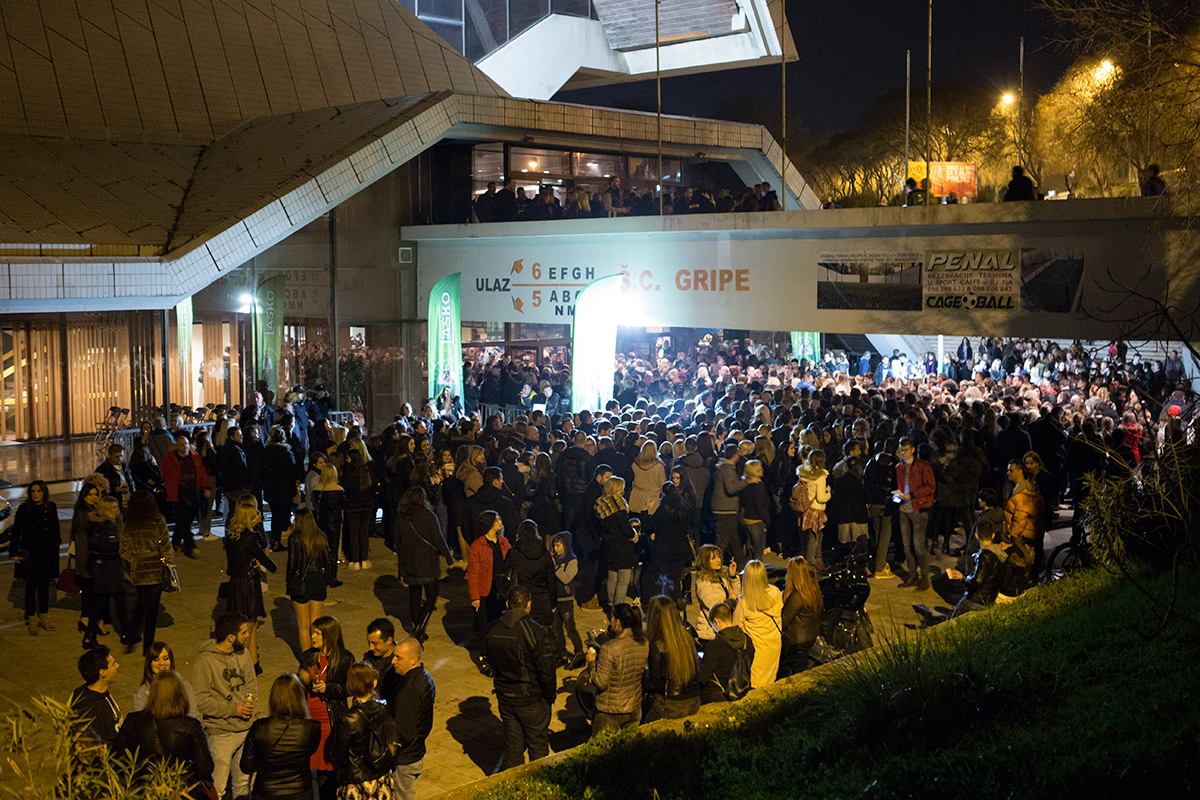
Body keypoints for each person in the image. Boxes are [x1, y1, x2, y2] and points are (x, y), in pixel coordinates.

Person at [484, 585, 557, 770]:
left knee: (513, 749)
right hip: (531, 699)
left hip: (506, 698)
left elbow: (490, 662)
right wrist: (549, 696)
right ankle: (537, 784)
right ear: (529, 605)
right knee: (537, 748)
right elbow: (546, 670)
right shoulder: (534, 632)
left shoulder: (493, 630)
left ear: (508, 604)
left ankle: (513, 783)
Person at [194, 612, 258, 800]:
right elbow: (201, 701)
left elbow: (252, 686)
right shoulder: (205, 661)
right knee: (218, 789)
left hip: (245, 730)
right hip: (221, 734)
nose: (248, 635)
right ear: (231, 637)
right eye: (244, 632)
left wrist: (252, 711)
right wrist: (234, 709)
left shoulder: (244, 654)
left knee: (243, 787)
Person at [114, 670, 213, 791]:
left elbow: (117, 759)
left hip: (142, 790)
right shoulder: (191, 725)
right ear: (180, 694)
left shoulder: (132, 720)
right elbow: (205, 768)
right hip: (178, 791)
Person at [240, 673, 322, 800]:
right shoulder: (312, 727)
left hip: (266, 793)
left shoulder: (260, 727)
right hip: (300, 792)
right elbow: (310, 750)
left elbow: (247, 766)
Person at [300, 615, 355, 799]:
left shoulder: (345, 658)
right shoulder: (309, 656)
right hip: (310, 719)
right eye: (312, 632)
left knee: (328, 769)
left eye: (317, 633)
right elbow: (300, 684)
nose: (312, 637)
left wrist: (328, 688)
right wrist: (301, 678)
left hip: (330, 721)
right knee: (309, 769)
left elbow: (350, 688)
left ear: (328, 635)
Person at [330, 661, 398, 800]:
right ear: (374, 683)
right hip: (381, 778)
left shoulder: (346, 720)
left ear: (350, 685)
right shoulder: (383, 710)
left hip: (356, 783)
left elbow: (339, 757)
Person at [224, 495, 277, 670]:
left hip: (235, 582)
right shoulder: (249, 537)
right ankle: (241, 664)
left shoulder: (231, 536)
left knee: (249, 626)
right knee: (249, 626)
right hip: (248, 583)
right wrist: (272, 566)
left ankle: (254, 663)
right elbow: (264, 551)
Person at [395, 486, 454, 642]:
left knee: (414, 597)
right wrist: (449, 558)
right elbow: (438, 539)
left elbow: (397, 542)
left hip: (409, 563)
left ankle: (417, 626)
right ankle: (419, 628)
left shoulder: (402, 517)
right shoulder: (429, 516)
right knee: (431, 598)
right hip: (427, 563)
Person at [581, 602, 648, 737]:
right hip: (634, 709)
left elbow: (601, 682)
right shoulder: (644, 643)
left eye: (611, 618)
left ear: (617, 621)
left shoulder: (609, 648)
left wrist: (591, 663)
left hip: (610, 712)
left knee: (601, 747)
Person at [119, 490, 173, 656]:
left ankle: (132, 634)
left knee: (142, 602)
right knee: (152, 609)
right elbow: (166, 545)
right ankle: (148, 647)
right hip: (155, 568)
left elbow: (123, 550)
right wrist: (167, 562)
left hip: (139, 570)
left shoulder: (129, 524)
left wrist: (136, 559)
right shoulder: (158, 521)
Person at [387, 637, 435, 800]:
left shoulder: (409, 690)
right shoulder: (424, 677)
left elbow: (403, 733)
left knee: (403, 796)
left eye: (398, 658)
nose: (393, 661)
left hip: (405, 758)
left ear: (413, 660)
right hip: (415, 752)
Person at [11, 479, 59, 635]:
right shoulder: (24, 508)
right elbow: (17, 531)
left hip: (47, 552)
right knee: (31, 587)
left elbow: (55, 530)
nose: (36, 494)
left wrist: (55, 549)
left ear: (44, 492)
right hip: (31, 553)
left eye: (39, 491)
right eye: (33, 491)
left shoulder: (51, 507)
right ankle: (31, 617)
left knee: (45, 586)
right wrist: (13, 553)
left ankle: (43, 616)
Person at [643, 595, 702, 722]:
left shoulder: (657, 644)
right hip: (693, 699)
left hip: (671, 704)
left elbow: (655, 682)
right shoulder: (686, 637)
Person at [467, 509, 512, 672]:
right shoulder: (477, 546)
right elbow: (473, 573)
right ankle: (484, 657)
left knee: (501, 625)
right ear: (489, 523)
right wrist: (475, 597)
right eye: (497, 519)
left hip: (502, 592)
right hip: (486, 593)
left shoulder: (503, 542)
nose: (500, 521)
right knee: (484, 627)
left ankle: (498, 655)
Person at [85, 495, 132, 650]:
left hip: (105, 569)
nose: (117, 510)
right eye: (113, 507)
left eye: (117, 506)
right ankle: (124, 634)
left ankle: (91, 635)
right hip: (108, 570)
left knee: (111, 602)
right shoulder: (106, 526)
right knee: (112, 602)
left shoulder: (102, 525)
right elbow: (109, 548)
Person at [160, 431, 212, 558]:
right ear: (177, 446)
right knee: (183, 520)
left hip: (193, 493)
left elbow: (202, 473)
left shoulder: (195, 457)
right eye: (182, 445)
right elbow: (163, 474)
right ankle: (190, 547)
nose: (185, 447)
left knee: (185, 520)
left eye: (186, 444)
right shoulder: (169, 459)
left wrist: (206, 486)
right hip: (178, 494)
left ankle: (176, 542)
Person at [733, 560, 783, 689]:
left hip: (757, 651)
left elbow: (737, 627)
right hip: (774, 645)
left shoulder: (745, 603)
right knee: (770, 680)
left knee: (757, 685)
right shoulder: (776, 592)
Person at [894, 437, 936, 591]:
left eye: (906, 450)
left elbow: (931, 486)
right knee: (907, 545)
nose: (903, 453)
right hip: (904, 509)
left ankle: (924, 577)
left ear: (912, 450)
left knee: (918, 545)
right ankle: (913, 575)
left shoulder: (923, 467)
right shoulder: (899, 467)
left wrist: (912, 495)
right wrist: (897, 496)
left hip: (918, 508)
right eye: (901, 450)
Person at [287, 508, 331, 652]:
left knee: (303, 626)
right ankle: (317, 655)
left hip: (301, 582)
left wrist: (289, 582)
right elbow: (327, 561)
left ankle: (307, 659)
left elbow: (292, 564)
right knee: (316, 624)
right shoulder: (321, 536)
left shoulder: (294, 538)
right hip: (318, 580)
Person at [72, 474, 109, 641]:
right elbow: (86, 537)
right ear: (84, 496)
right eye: (91, 494)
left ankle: (91, 620)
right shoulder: (84, 513)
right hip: (88, 558)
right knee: (91, 591)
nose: (94, 497)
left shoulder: (89, 510)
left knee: (92, 591)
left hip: (91, 557)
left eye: (96, 494)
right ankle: (88, 620)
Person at [697, 602, 754, 704]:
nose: (713, 628)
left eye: (712, 625)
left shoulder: (715, 645)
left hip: (718, 694)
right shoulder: (747, 640)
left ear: (716, 621)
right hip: (741, 689)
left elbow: (703, 678)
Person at [595, 475, 637, 610]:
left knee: (612, 576)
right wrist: (634, 534)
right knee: (623, 580)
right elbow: (626, 530)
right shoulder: (619, 508)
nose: (623, 491)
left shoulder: (601, 505)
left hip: (608, 546)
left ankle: (610, 604)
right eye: (621, 489)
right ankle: (618, 608)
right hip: (622, 547)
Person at [506, 519, 557, 628]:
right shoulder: (545, 555)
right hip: (542, 603)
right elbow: (551, 581)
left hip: (521, 603)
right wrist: (553, 603)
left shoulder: (513, 554)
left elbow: (507, 577)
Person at [778, 557, 823, 678]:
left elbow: (784, 621)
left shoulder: (797, 596)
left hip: (797, 641)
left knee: (798, 674)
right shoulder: (812, 589)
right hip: (810, 636)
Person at [71, 645, 122, 748]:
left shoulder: (100, 692)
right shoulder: (90, 708)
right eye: (113, 664)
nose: (117, 665)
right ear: (102, 672)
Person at [1005, 460, 1045, 585]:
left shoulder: (1020, 493)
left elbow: (1020, 519)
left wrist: (1012, 535)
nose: (1008, 473)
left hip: (1023, 535)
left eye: (1011, 470)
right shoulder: (1028, 489)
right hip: (1032, 532)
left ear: (1020, 472)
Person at [133, 642, 200, 716]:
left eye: (166, 659)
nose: (162, 663)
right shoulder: (143, 693)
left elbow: (194, 714)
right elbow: (142, 720)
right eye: (156, 659)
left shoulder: (185, 686)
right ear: (149, 663)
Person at [693, 544, 741, 644]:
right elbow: (715, 607)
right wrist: (731, 601)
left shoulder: (721, 576)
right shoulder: (703, 582)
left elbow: (736, 594)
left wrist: (732, 577)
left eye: (719, 557)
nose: (718, 560)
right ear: (705, 561)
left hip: (725, 627)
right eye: (713, 558)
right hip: (710, 633)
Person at [550, 532, 585, 669]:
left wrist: (554, 567)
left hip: (566, 600)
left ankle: (579, 654)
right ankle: (562, 656)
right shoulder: (555, 558)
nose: (555, 548)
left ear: (565, 545)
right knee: (556, 630)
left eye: (558, 545)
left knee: (570, 628)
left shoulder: (572, 560)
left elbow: (566, 578)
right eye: (554, 545)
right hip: (555, 599)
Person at [792, 449, 831, 570]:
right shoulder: (820, 476)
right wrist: (828, 493)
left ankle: (817, 559)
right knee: (814, 538)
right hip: (816, 509)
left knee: (816, 535)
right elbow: (821, 497)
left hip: (806, 507)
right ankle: (810, 563)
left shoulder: (804, 472)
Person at [711, 443, 748, 570]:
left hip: (724, 508)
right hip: (726, 509)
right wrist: (746, 481)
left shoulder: (723, 467)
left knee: (734, 540)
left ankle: (742, 565)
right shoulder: (728, 469)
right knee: (723, 542)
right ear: (735, 456)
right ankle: (713, 566)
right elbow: (731, 488)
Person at [261, 426, 298, 549]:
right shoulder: (287, 453)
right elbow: (292, 472)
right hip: (284, 489)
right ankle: (279, 539)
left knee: (275, 515)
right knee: (283, 515)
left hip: (271, 489)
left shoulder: (266, 453)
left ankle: (275, 540)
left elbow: (262, 471)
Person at [342, 448, 376, 570]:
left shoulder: (348, 473)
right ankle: (365, 559)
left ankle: (356, 560)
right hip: (366, 505)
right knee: (364, 533)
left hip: (353, 506)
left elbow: (344, 489)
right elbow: (373, 487)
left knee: (354, 534)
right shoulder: (366, 471)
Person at [740, 460, 772, 562]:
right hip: (756, 520)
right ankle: (757, 570)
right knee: (758, 551)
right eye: (759, 469)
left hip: (746, 519)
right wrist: (767, 520)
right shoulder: (759, 486)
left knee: (750, 549)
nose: (762, 470)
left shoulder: (744, 484)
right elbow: (760, 506)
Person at [629, 441, 666, 516]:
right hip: (652, 497)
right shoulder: (659, 467)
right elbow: (662, 483)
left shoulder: (635, 465)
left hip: (637, 495)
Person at [96, 442, 133, 512]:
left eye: (121, 456)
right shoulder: (103, 470)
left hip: (128, 502)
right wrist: (114, 489)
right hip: (114, 504)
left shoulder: (124, 465)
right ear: (110, 455)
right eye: (116, 457)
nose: (119, 459)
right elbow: (100, 489)